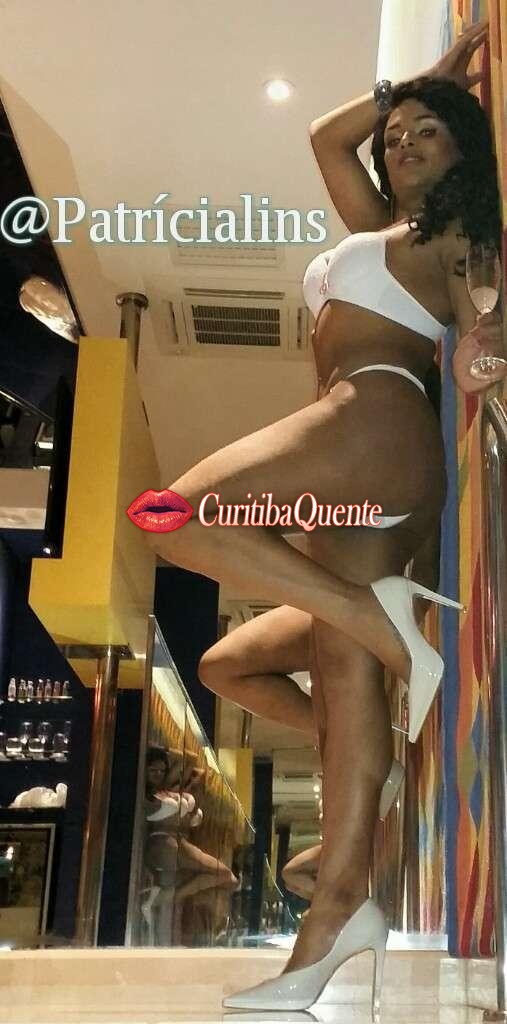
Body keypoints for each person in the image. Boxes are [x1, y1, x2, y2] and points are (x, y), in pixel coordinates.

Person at [142, 19, 504, 1016]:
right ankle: (337, 914)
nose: (403, 142)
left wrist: (486, 346)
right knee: (339, 699)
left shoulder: (454, 233)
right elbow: (326, 139)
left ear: (463, 156)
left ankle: (381, 627)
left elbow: (483, 320)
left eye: (429, 132)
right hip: (353, 443)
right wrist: (413, 86)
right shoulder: (377, 221)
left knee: (172, 513)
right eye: (397, 136)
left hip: (376, 421)